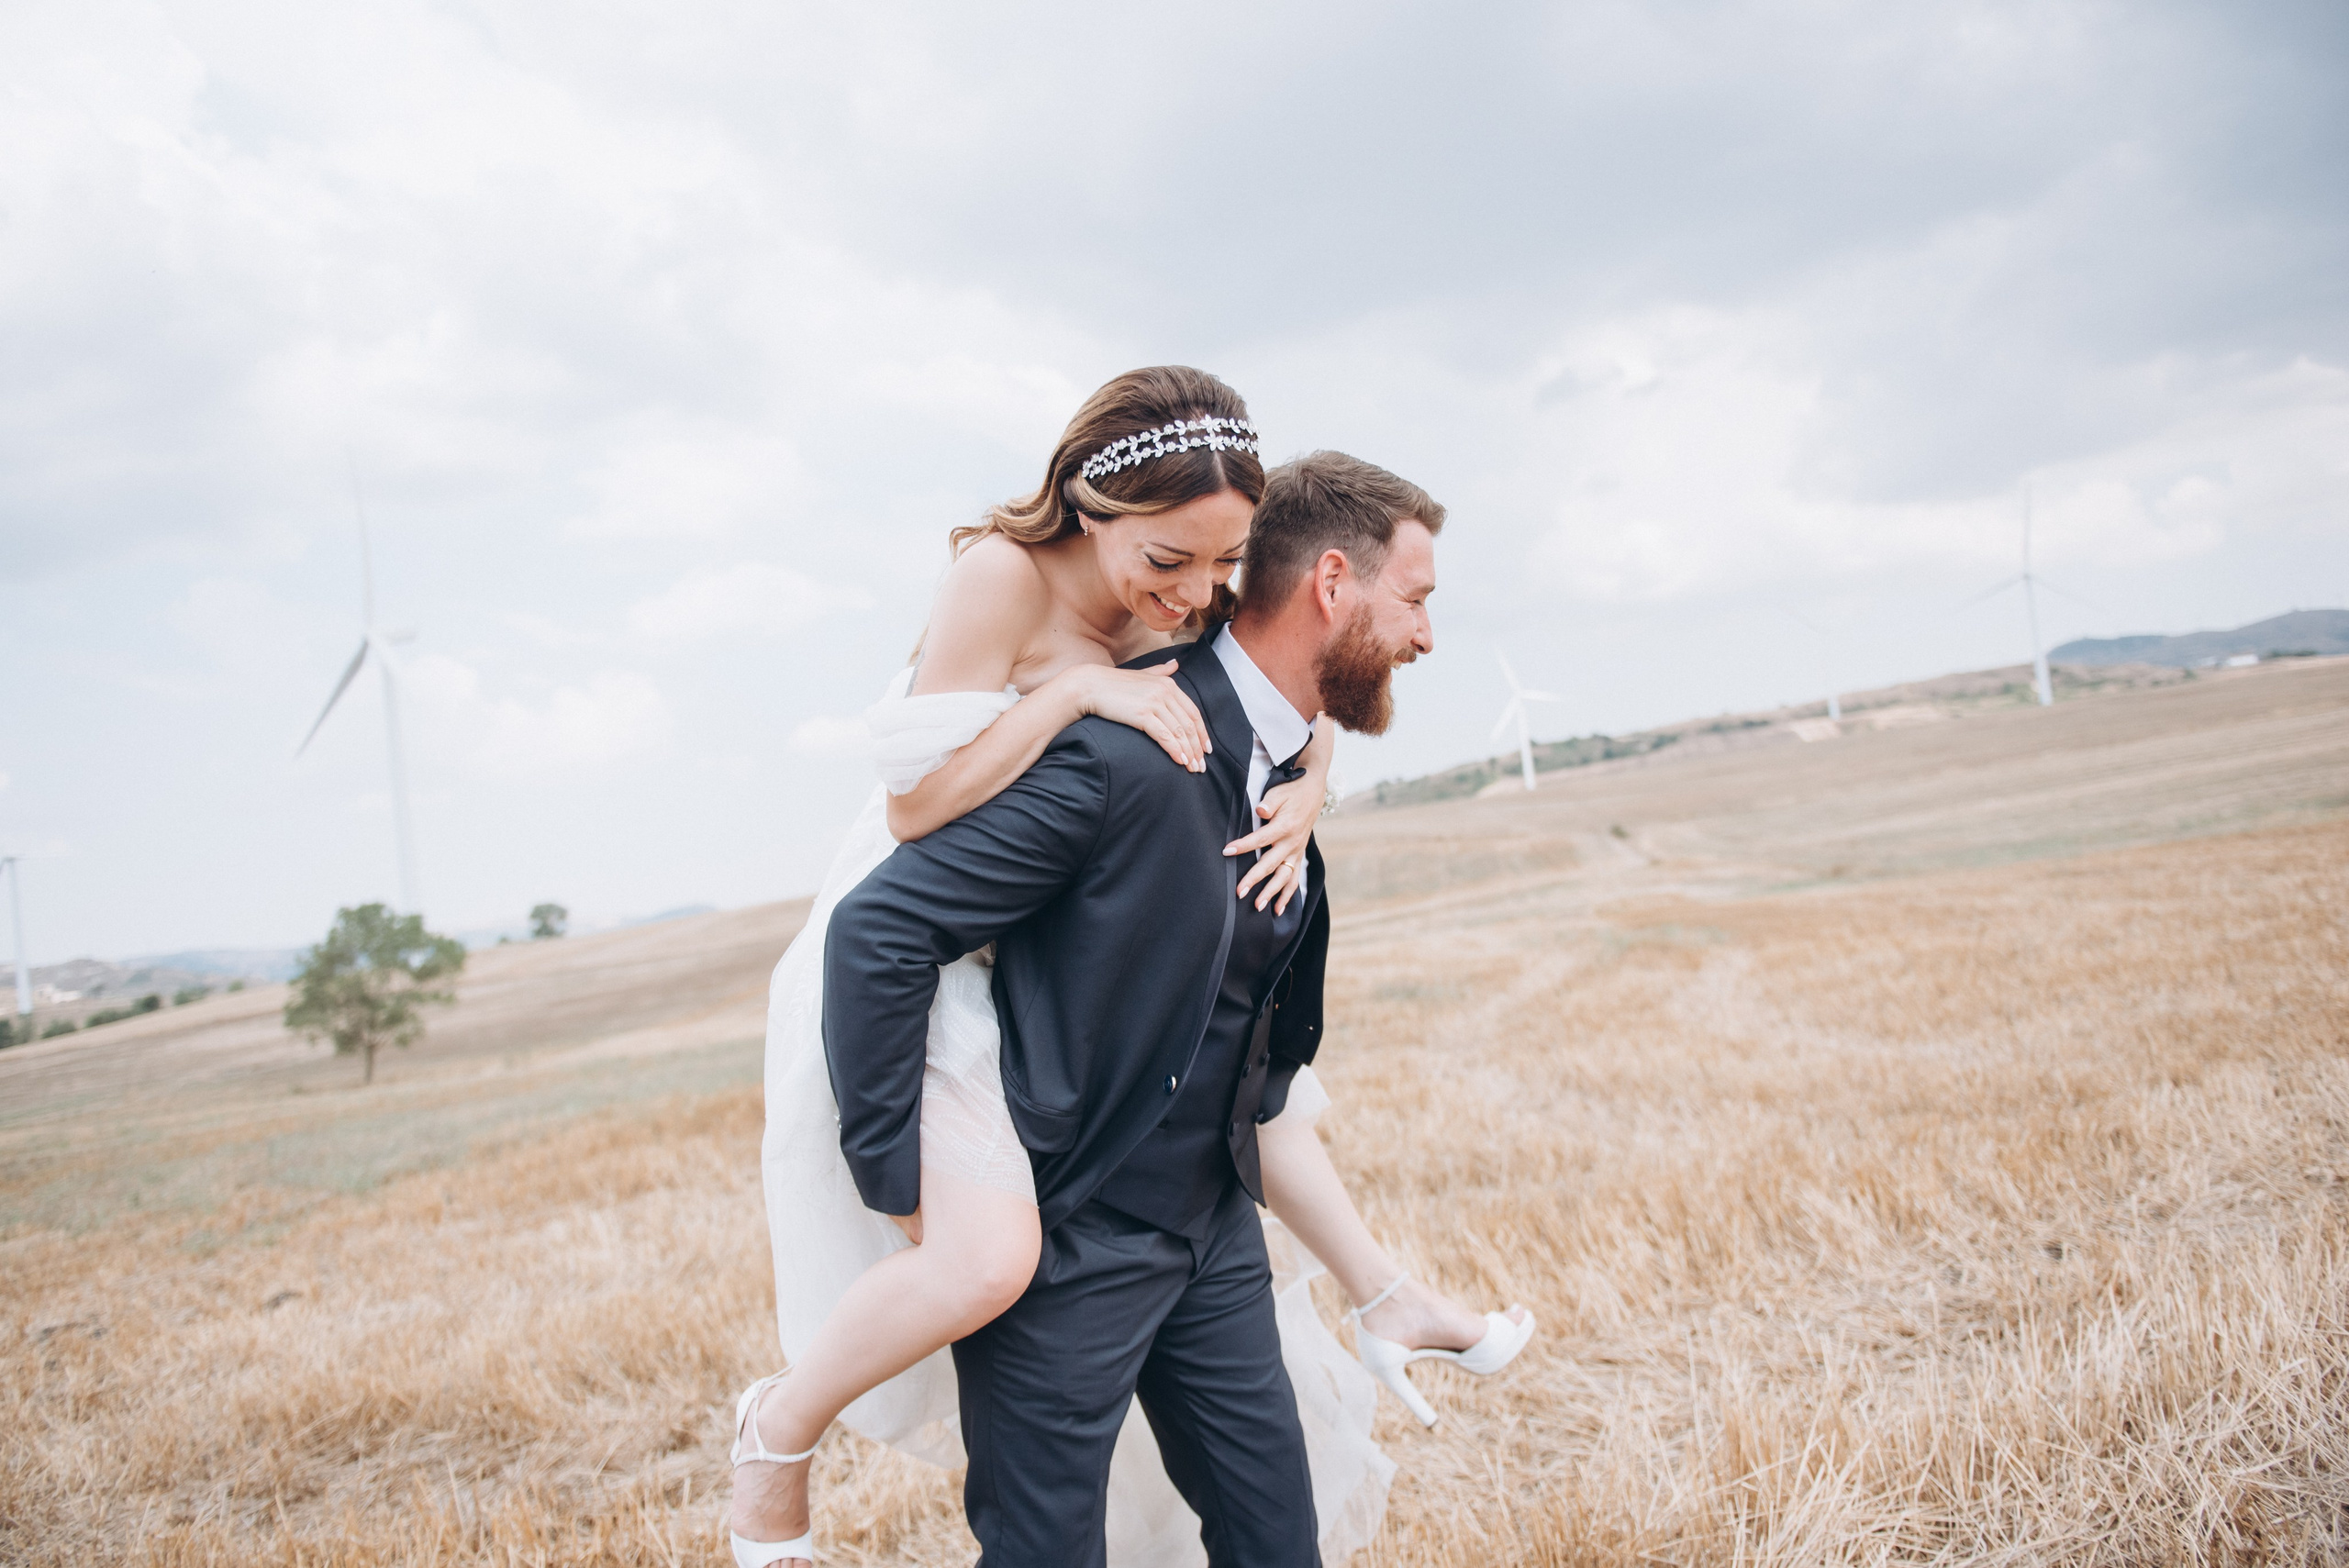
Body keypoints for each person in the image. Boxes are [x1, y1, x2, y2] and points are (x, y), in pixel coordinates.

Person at [734, 372, 1533, 1566]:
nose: (1194, 596)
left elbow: (1283, 683)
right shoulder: (1003, 584)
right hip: (945, 876)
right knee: (987, 1252)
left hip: (1136, 1086)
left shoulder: (1189, 588)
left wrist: (1310, 786)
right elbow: (913, 822)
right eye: (1174, 560)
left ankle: (1378, 1289)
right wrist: (1077, 696)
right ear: (1091, 504)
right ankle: (781, 1423)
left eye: (1220, 567)